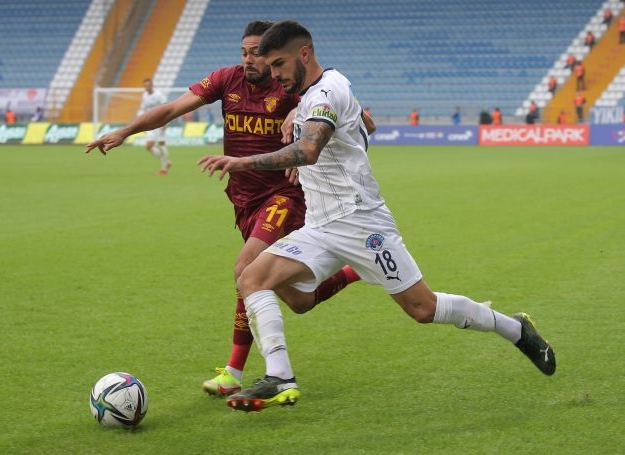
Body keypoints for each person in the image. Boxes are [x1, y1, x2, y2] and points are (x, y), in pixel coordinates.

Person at [198, 20, 556, 412]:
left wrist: (242, 160)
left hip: (361, 224)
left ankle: (514, 327)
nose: (275, 74)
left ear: (304, 53)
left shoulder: (327, 92)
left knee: (423, 308)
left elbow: (310, 149)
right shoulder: (315, 94)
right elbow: (360, 126)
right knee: (252, 277)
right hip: (320, 226)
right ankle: (279, 377)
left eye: (280, 64)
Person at [86, 21, 372, 397]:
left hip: (283, 198)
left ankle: (235, 372)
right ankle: (351, 272)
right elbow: (173, 108)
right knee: (299, 300)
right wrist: (124, 132)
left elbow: (360, 118)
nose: (250, 60)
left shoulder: (293, 85)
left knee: (245, 268)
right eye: (244, 52)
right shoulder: (226, 80)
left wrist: (297, 117)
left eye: (257, 53)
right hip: (243, 200)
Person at [139, 78, 172, 175]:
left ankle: (164, 169)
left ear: (152, 85)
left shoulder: (158, 95)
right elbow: (146, 109)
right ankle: (166, 162)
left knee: (161, 145)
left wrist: (165, 121)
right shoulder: (144, 95)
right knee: (149, 146)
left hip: (159, 122)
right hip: (150, 123)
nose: (147, 87)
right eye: (145, 85)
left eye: (148, 85)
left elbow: (166, 107)